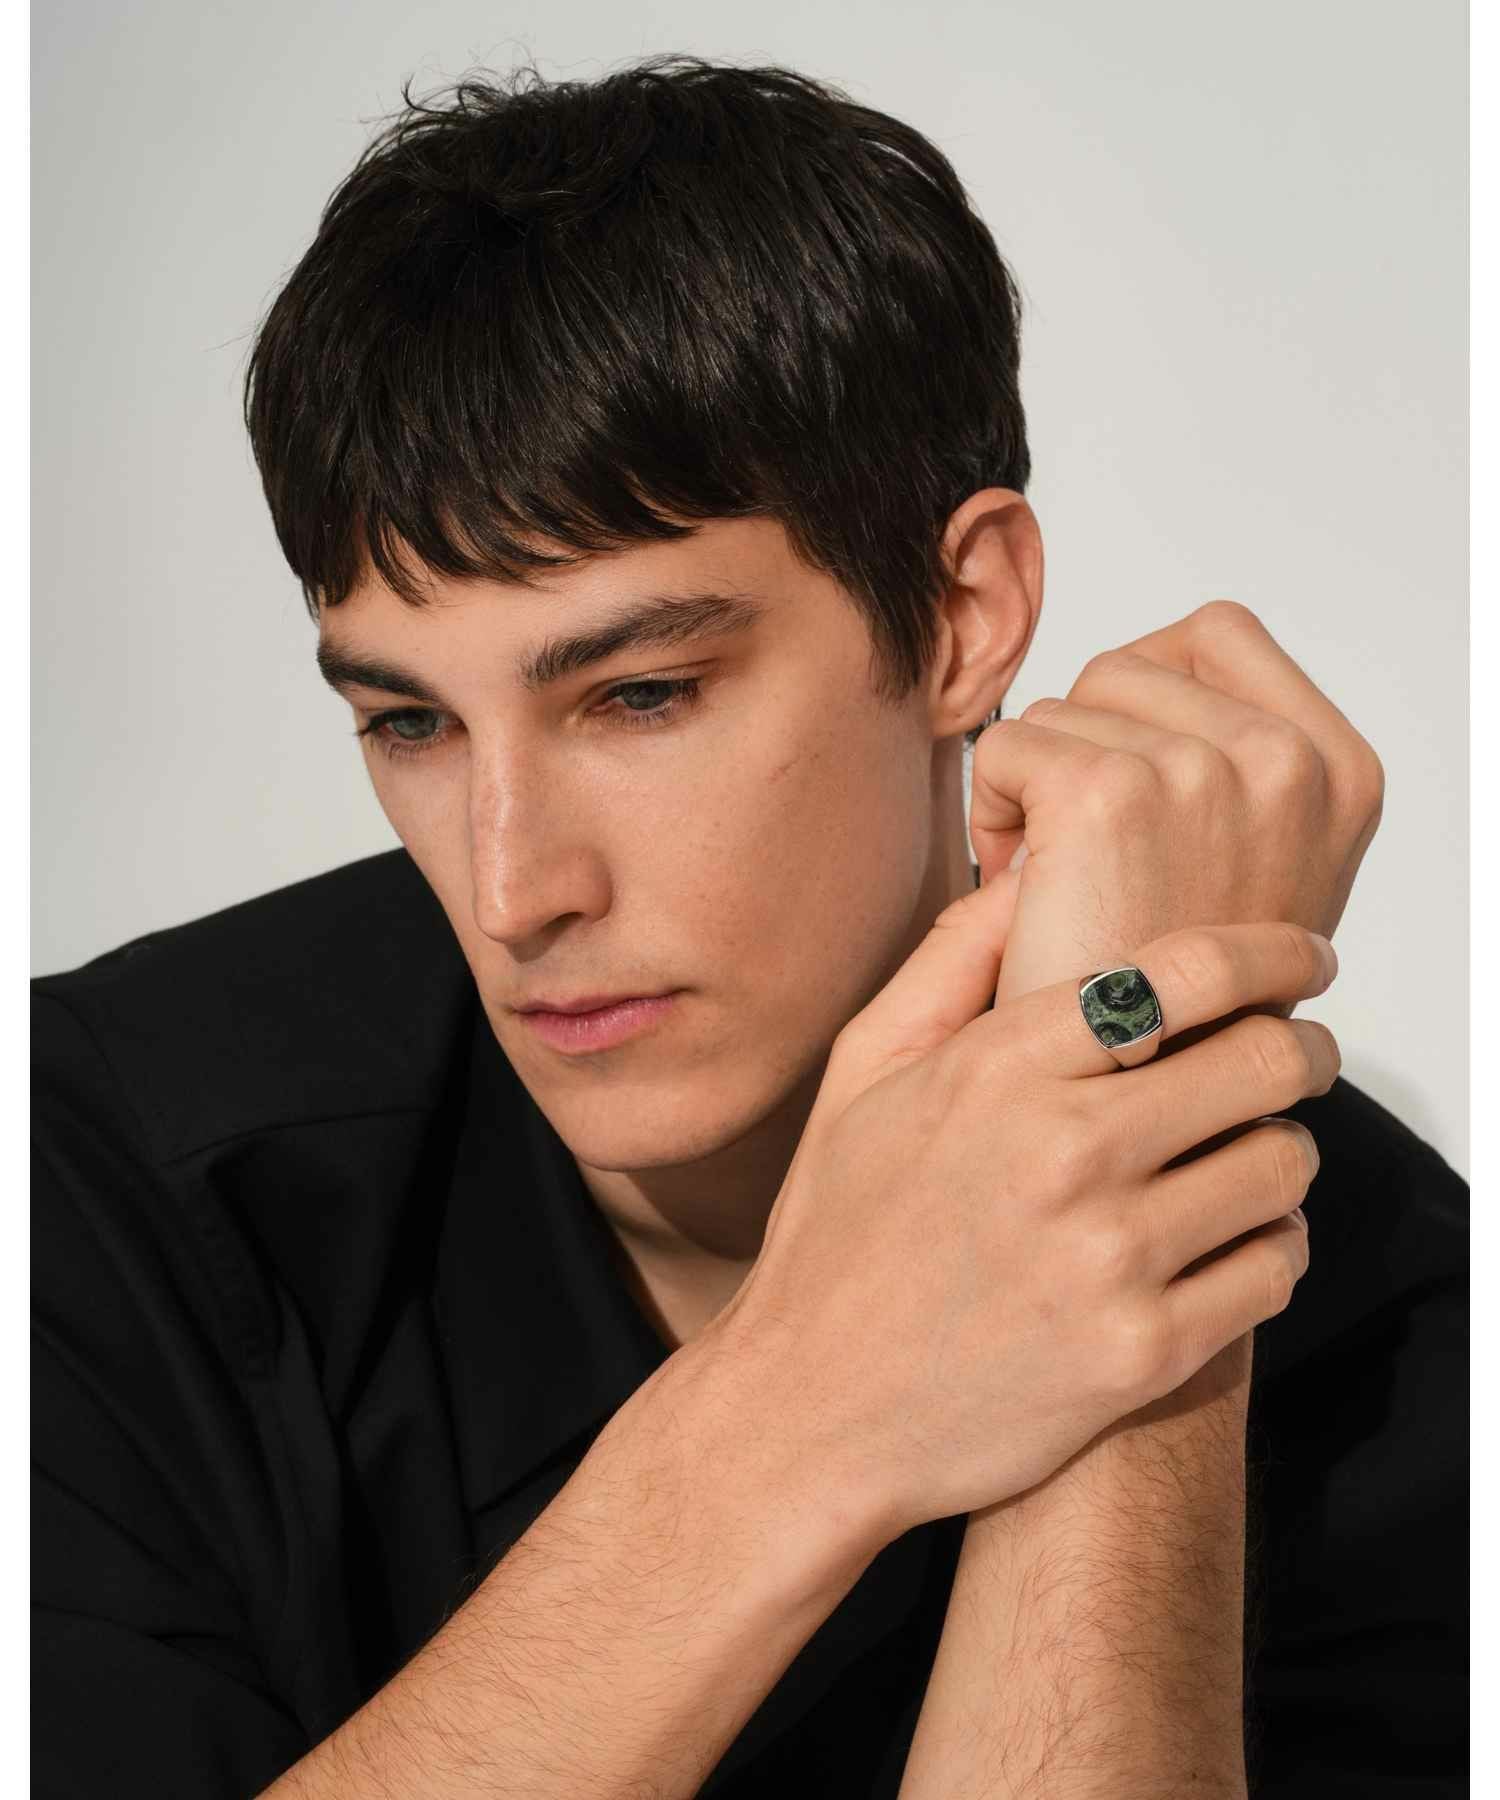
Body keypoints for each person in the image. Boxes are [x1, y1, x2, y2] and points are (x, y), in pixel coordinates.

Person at [33, 54, 1466, 1799]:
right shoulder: (105, 1175)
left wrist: (1142, 1220)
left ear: (961, 618)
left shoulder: (1393, 1314)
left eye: (639, 695)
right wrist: (814, 1397)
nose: (512, 890)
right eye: (409, 723)